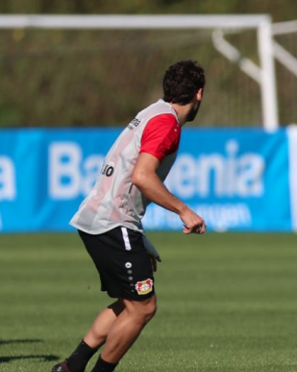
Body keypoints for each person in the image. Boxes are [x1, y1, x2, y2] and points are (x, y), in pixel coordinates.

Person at [51, 60, 207, 372]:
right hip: (112, 221)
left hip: (104, 218)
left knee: (131, 301)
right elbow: (143, 177)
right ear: (199, 94)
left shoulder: (153, 111)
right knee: (143, 307)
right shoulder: (167, 123)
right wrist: (184, 211)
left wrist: (139, 238)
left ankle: (71, 366)